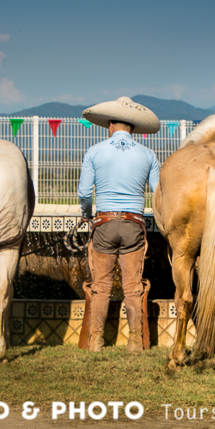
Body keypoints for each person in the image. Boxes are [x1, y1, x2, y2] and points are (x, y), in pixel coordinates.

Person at [78, 96, 162, 353]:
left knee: (101, 286)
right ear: (133, 128)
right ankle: (135, 342)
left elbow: (83, 192)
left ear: (111, 126)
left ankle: (96, 342)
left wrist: (86, 212)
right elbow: (159, 194)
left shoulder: (95, 151)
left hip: (103, 223)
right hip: (133, 224)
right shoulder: (148, 154)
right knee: (133, 287)